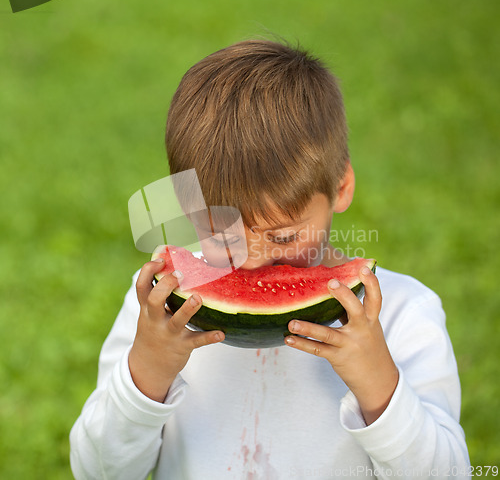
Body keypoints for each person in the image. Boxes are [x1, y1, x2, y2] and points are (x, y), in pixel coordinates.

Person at [70, 39, 471, 479]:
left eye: (283, 236)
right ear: (186, 205)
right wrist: (145, 373)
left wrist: (380, 386)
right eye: (224, 234)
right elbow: (98, 471)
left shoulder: (403, 314)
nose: (255, 265)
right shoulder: (160, 309)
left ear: (340, 187)